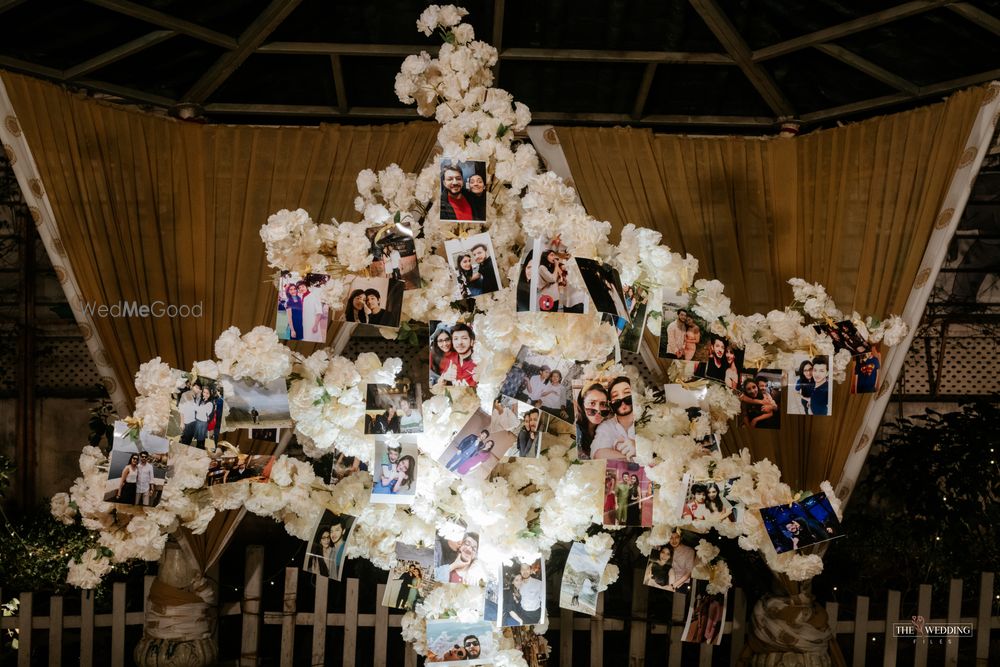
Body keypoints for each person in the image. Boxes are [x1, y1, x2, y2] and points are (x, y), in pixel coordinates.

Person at [590, 377, 636, 460]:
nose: (622, 399)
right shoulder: (606, 426)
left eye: (627, 392)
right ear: (610, 403)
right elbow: (599, 454)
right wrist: (634, 458)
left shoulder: (651, 419)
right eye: (615, 395)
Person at [575, 382, 610, 460]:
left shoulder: (608, 428)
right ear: (582, 405)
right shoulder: (575, 431)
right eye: (592, 403)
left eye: (603, 404)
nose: (598, 410)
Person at [440, 322, 476, 387]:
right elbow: (438, 384)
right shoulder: (450, 360)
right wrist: (444, 378)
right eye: (456, 339)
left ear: (472, 342)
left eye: (464, 338)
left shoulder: (479, 363)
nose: (459, 342)